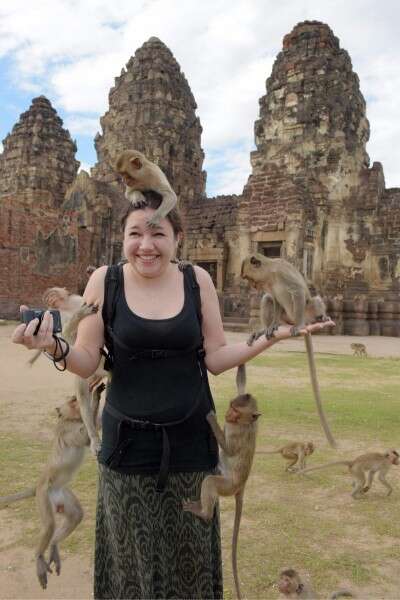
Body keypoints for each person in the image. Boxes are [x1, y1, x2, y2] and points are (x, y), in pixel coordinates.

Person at [12, 191, 334, 599]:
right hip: (127, 451)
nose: (146, 245)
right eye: (135, 234)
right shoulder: (104, 281)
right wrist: (52, 346)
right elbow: (88, 359)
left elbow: (216, 358)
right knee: (132, 565)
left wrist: (275, 336)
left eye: (157, 233)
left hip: (192, 450)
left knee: (189, 568)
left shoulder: (196, 280)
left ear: (176, 238)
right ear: (123, 238)